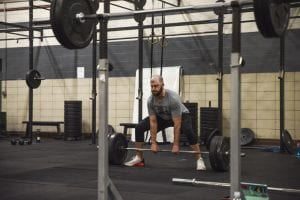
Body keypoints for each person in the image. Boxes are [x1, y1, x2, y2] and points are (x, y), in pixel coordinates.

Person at [124, 75, 206, 170]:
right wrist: (153, 143)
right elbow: (153, 122)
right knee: (139, 127)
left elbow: (177, 123)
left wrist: (175, 144)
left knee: (188, 130)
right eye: (152, 86)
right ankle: (139, 158)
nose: (153, 88)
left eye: (156, 86)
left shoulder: (173, 99)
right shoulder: (151, 100)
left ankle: (199, 159)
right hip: (163, 116)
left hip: (182, 115)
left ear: (163, 85)